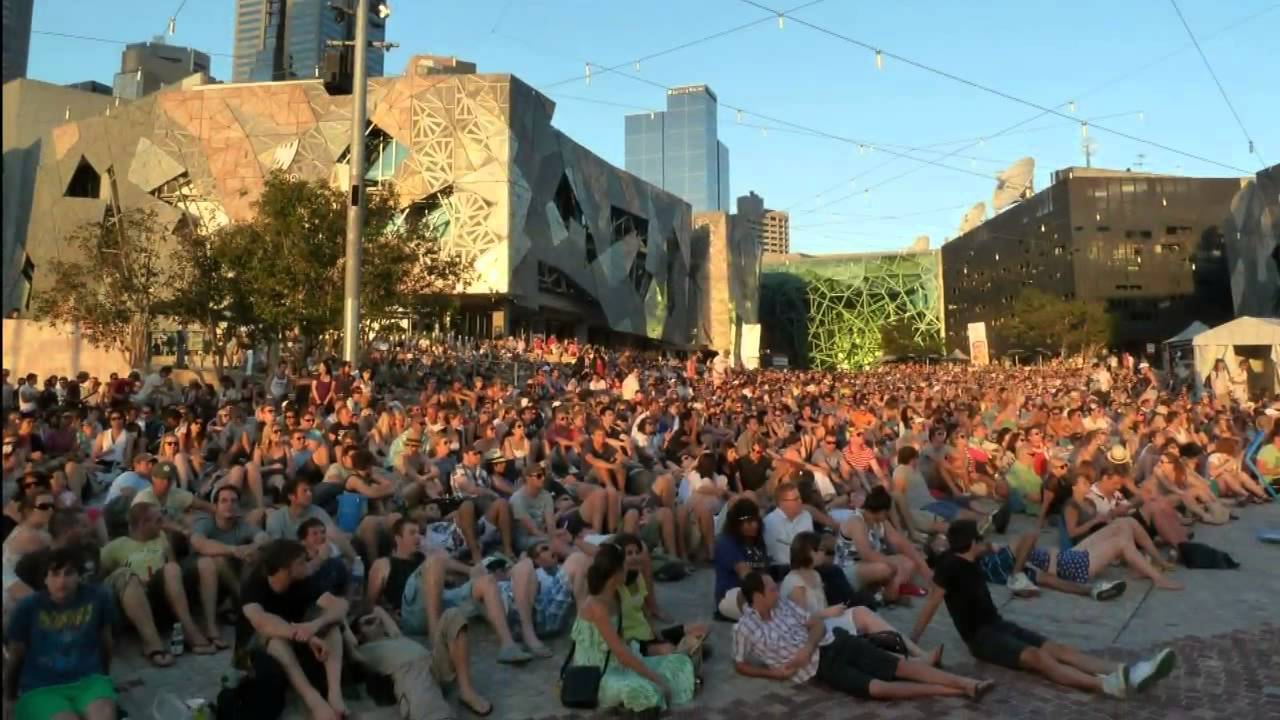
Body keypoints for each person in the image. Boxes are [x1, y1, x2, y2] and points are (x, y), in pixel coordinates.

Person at [912, 519, 1177, 699]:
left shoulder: (973, 556)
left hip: (998, 624)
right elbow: (932, 604)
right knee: (1037, 659)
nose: (986, 543)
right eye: (980, 540)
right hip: (980, 638)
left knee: (1057, 649)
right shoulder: (950, 566)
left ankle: (1129, 670)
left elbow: (993, 543)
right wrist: (912, 644)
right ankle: (1105, 684)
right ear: (971, 543)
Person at [733, 570, 991, 700]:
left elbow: (817, 625)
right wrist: (772, 674)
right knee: (878, 689)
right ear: (757, 596)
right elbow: (740, 665)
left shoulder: (784, 606)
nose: (776, 591)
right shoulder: (744, 628)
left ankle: (962, 682)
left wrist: (806, 648)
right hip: (821, 668)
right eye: (770, 589)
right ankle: (955, 691)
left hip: (833, 642)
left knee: (898, 666)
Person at [566, 542, 695, 712]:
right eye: (624, 567)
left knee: (680, 662)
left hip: (618, 659)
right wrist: (656, 679)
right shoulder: (597, 606)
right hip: (599, 670)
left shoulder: (616, 596)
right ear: (616, 574)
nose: (628, 570)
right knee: (647, 692)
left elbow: (623, 644)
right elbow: (620, 653)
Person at [237, 539, 349, 720]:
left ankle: (335, 694)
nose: (308, 564)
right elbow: (262, 622)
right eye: (300, 563)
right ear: (283, 569)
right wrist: (303, 635)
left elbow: (341, 606)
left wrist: (314, 626)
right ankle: (314, 701)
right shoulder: (254, 584)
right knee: (275, 640)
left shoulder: (303, 580)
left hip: (296, 639)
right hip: (250, 651)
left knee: (330, 626)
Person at [100, 502, 226, 660]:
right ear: (144, 523)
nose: (163, 523)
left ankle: (199, 629)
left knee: (182, 566)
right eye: (158, 520)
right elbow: (99, 577)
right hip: (139, 600)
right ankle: (153, 644)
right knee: (125, 574)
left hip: (167, 597)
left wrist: (176, 532)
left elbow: (173, 565)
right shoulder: (116, 547)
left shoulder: (161, 537)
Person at [3, 547, 117, 720]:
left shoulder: (98, 597)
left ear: (79, 575)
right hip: (41, 688)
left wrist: (105, 679)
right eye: (55, 574)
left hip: (89, 680)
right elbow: (16, 657)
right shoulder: (27, 608)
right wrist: (10, 697)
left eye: (68, 573)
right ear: (45, 578)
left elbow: (106, 641)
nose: (62, 581)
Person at [713, 497, 770, 620]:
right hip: (732, 595)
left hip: (759, 591)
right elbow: (745, 573)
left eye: (755, 521)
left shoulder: (757, 542)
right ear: (737, 524)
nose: (754, 525)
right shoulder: (726, 543)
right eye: (748, 522)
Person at [762, 481, 813, 572]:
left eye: (800, 497)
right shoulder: (770, 522)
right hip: (781, 568)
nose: (800, 501)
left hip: (807, 565)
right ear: (782, 502)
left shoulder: (806, 516)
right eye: (796, 499)